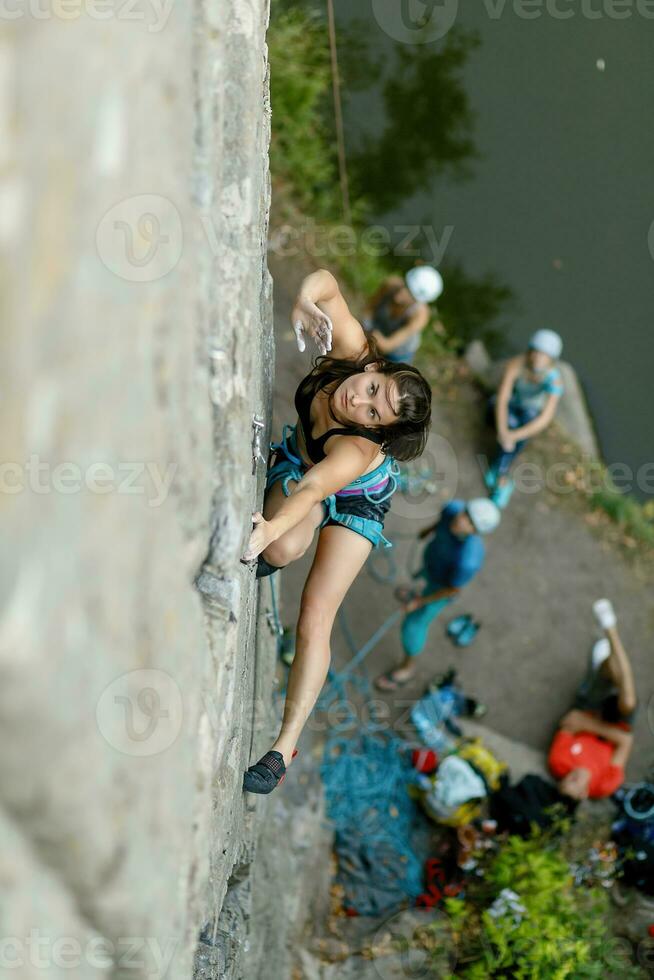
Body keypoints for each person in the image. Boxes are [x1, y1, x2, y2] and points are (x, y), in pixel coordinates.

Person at [240, 269, 432, 794]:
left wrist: (270, 524)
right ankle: (282, 542)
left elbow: (315, 487)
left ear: (377, 432)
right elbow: (328, 282)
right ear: (376, 368)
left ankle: (283, 748)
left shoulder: (355, 448)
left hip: (355, 494)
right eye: (373, 389)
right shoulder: (351, 353)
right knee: (283, 548)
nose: (360, 402)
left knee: (316, 614)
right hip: (306, 465)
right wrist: (305, 301)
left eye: (374, 414)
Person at [375, 498, 500, 691]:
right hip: (433, 563)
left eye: (470, 523)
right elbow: (442, 521)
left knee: (413, 627)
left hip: (440, 588)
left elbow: (452, 589)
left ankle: (408, 667)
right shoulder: (452, 509)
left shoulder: (467, 561)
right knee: (423, 576)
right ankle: (418, 592)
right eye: (466, 513)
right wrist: (428, 531)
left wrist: (420, 601)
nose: (462, 520)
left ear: (475, 532)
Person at [549, 599, 636, 801]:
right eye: (574, 783)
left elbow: (572, 719)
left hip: (589, 709)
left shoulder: (558, 763)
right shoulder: (605, 785)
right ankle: (609, 630)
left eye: (565, 779)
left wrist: (586, 724)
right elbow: (626, 741)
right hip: (617, 724)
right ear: (584, 793)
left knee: (612, 671)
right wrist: (591, 726)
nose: (572, 776)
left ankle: (607, 657)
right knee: (628, 700)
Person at [485, 329, 564, 508]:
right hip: (512, 402)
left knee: (521, 429)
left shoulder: (554, 380)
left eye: (544, 355)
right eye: (536, 352)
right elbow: (503, 397)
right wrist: (503, 429)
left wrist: (514, 436)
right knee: (506, 420)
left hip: (530, 410)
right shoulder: (516, 365)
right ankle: (501, 472)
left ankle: (501, 471)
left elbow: (545, 417)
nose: (538, 358)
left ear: (551, 359)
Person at [362, 266, 444, 364]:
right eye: (406, 285)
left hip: (396, 355)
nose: (402, 292)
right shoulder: (391, 284)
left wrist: (369, 330)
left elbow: (387, 346)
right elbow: (369, 308)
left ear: (418, 300)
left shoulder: (419, 315)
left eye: (410, 292)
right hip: (375, 334)